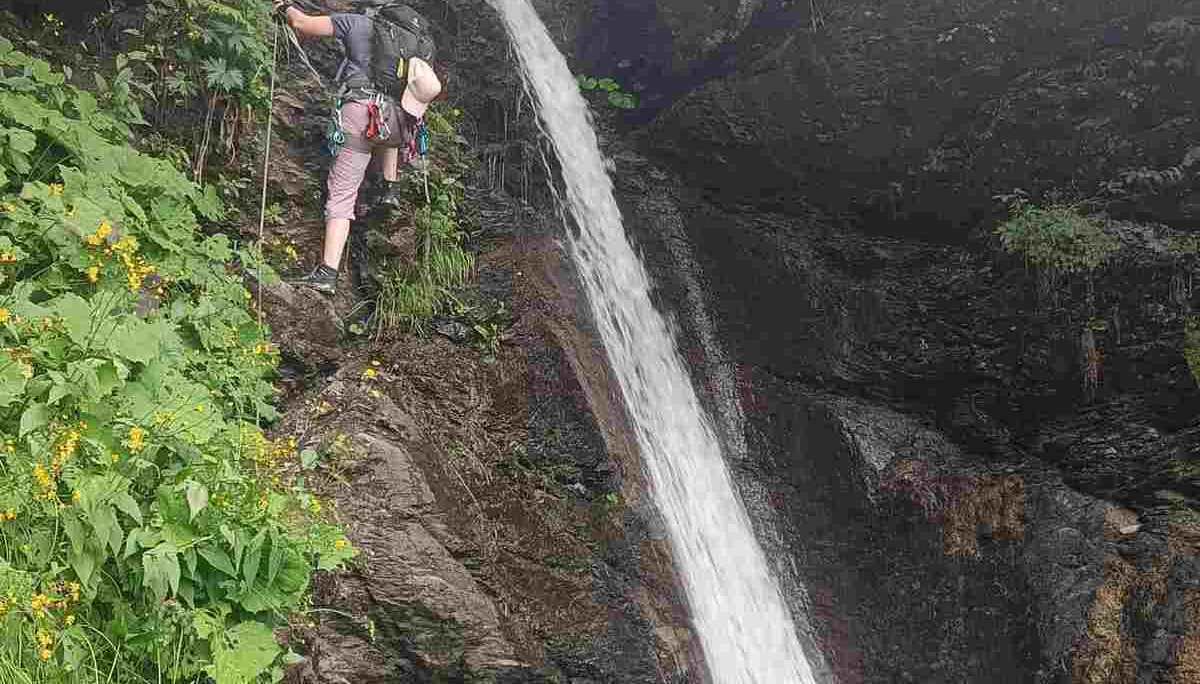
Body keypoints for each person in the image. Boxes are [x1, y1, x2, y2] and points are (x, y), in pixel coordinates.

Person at [272, 0, 442, 295]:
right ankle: (389, 188)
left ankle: (327, 272)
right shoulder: (414, 43)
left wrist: (285, 7)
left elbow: (301, 23)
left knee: (342, 195)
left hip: (362, 115)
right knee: (385, 130)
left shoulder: (356, 23)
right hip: (398, 122)